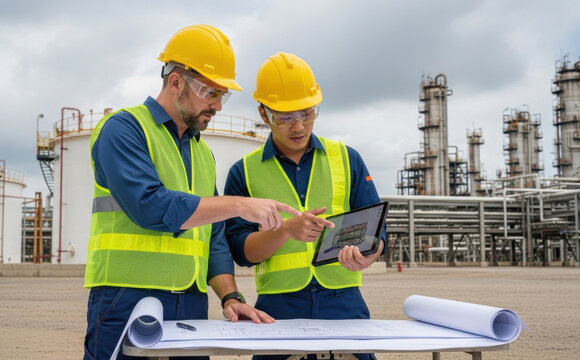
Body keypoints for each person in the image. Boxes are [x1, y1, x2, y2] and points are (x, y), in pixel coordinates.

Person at [83, 26, 301, 360]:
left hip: (190, 304)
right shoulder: (124, 129)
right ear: (175, 82)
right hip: (126, 297)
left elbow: (213, 236)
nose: (217, 106)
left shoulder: (202, 153)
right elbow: (149, 206)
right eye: (210, 93)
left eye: (222, 95)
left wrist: (231, 298)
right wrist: (239, 204)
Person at [224, 52, 387, 360]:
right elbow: (241, 253)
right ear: (263, 113)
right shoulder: (243, 172)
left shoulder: (347, 158)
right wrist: (285, 231)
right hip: (278, 308)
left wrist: (369, 254)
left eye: (307, 113)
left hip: (344, 302)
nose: (298, 126)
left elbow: (378, 231)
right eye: (284, 117)